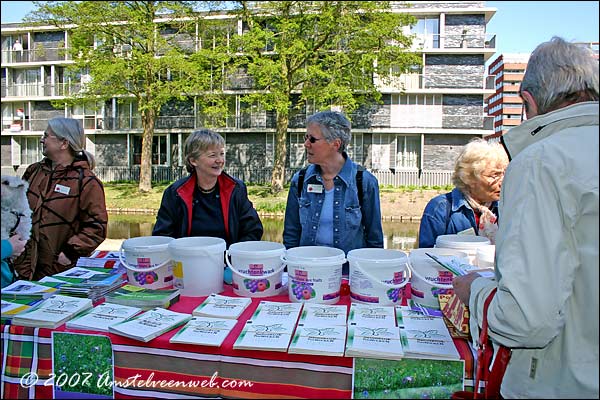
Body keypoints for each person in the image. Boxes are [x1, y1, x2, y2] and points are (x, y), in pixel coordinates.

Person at [453, 37, 598, 398]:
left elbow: (524, 320)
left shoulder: (542, 162)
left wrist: (476, 291)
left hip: (559, 383)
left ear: (529, 102)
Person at [283, 111, 384, 273]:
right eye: (306, 137)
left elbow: (375, 241)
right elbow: (291, 234)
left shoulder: (363, 182)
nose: (306, 144)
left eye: (313, 139)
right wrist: (289, 273)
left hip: (349, 276)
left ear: (335, 144)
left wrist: (372, 277)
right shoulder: (300, 180)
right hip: (306, 274)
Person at [12, 117, 108, 280]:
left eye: (46, 135)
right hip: (23, 270)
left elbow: (96, 227)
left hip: (60, 273)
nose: (42, 140)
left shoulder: (86, 181)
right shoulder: (34, 171)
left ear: (64, 143)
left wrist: (69, 253)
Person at [153, 128, 263, 245]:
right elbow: (162, 236)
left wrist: (233, 255)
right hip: (186, 260)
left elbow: (253, 230)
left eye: (221, 154)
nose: (220, 160)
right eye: (212, 155)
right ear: (193, 160)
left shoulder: (236, 189)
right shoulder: (175, 193)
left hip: (227, 260)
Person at [418, 138, 508, 248]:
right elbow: (426, 256)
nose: (502, 182)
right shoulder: (440, 209)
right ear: (469, 178)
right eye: (494, 175)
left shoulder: (505, 209)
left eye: (504, 174)